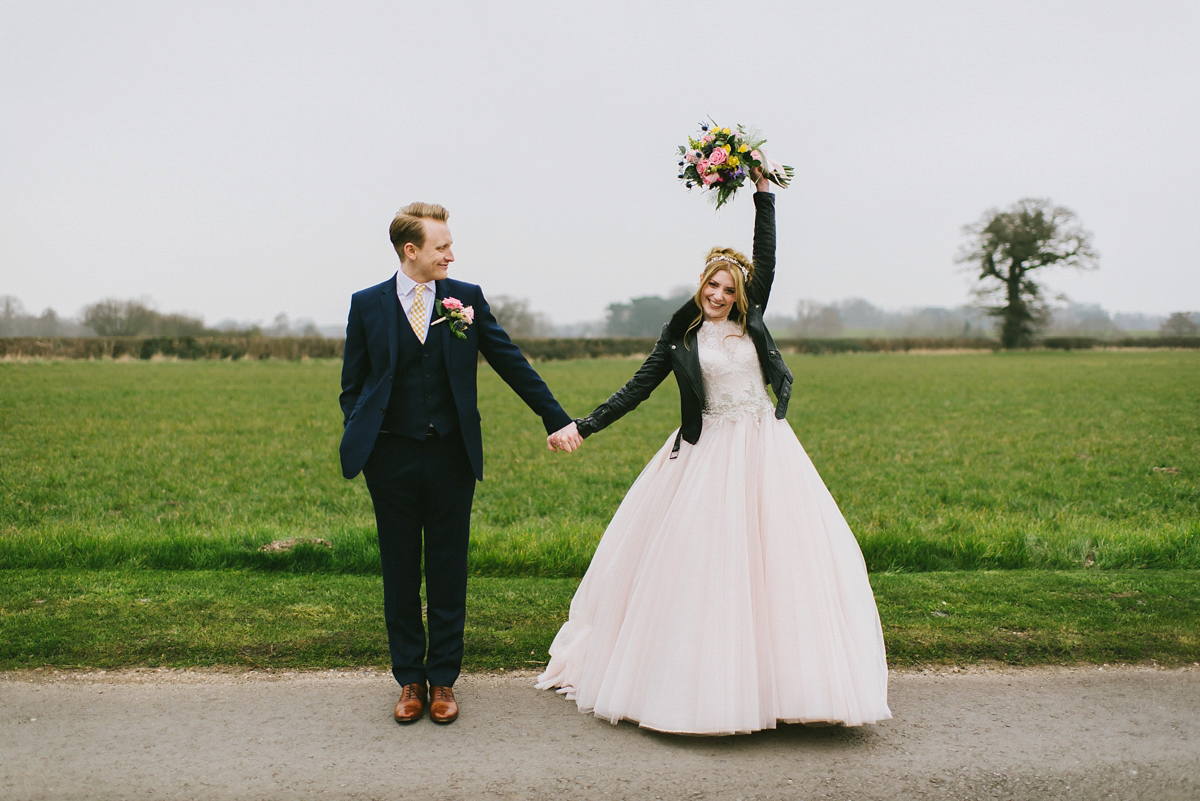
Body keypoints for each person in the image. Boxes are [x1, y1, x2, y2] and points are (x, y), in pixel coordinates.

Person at [537, 172, 891, 734]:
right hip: (708, 456)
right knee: (707, 566)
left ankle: (788, 687)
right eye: (713, 286)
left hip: (767, 450)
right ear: (700, 285)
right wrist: (584, 425)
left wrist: (764, 193)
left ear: (741, 293)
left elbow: (766, 257)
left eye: (729, 289)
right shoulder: (680, 338)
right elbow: (637, 388)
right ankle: (699, 684)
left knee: (786, 564)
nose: (720, 296)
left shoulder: (754, 320)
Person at [339, 201, 581, 725]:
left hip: (452, 455)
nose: (451, 253)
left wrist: (555, 417)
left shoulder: (463, 299)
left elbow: (508, 358)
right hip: (390, 457)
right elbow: (352, 385)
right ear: (412, 250)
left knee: (447, 567)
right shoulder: (367, 304)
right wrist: (365, 438)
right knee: (400, 571)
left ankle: (444, 678)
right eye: (441, 246)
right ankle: (409, 679)